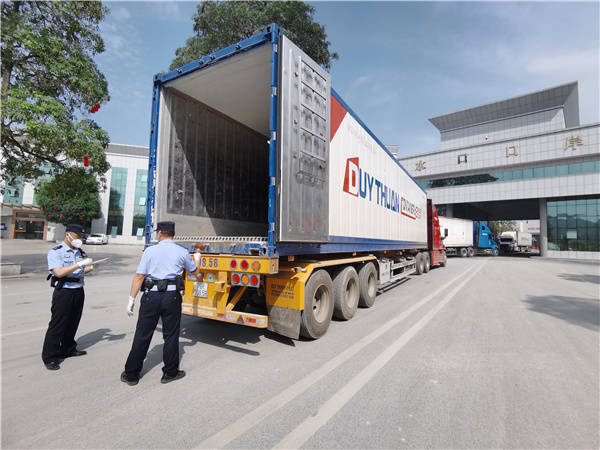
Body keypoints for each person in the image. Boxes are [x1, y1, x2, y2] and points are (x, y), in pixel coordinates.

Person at [121, 221, 200, 386]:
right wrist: (198, 259)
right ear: (172, 233)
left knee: (143, 334)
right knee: (171, 335)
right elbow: (195, 273)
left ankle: (131, 374)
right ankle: (170, 373)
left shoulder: (150, 251)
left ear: (161, 233)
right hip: (172, 297)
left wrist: (131, 299)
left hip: (151, 296)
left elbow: (140, 276)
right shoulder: (182, 251)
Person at [42, 224, 95, 370]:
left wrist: (91, 267)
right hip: (64, 291)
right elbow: (59, 272)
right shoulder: (56, 252)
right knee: (58, 324)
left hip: (78, 289)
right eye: (78, 236)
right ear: (68, 235)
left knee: (73, 321)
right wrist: (79, 265)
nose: (80, 239)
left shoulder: (79, 251)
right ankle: (50, 356)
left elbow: (81, 271)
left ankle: (68, 348)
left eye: (81, 237)